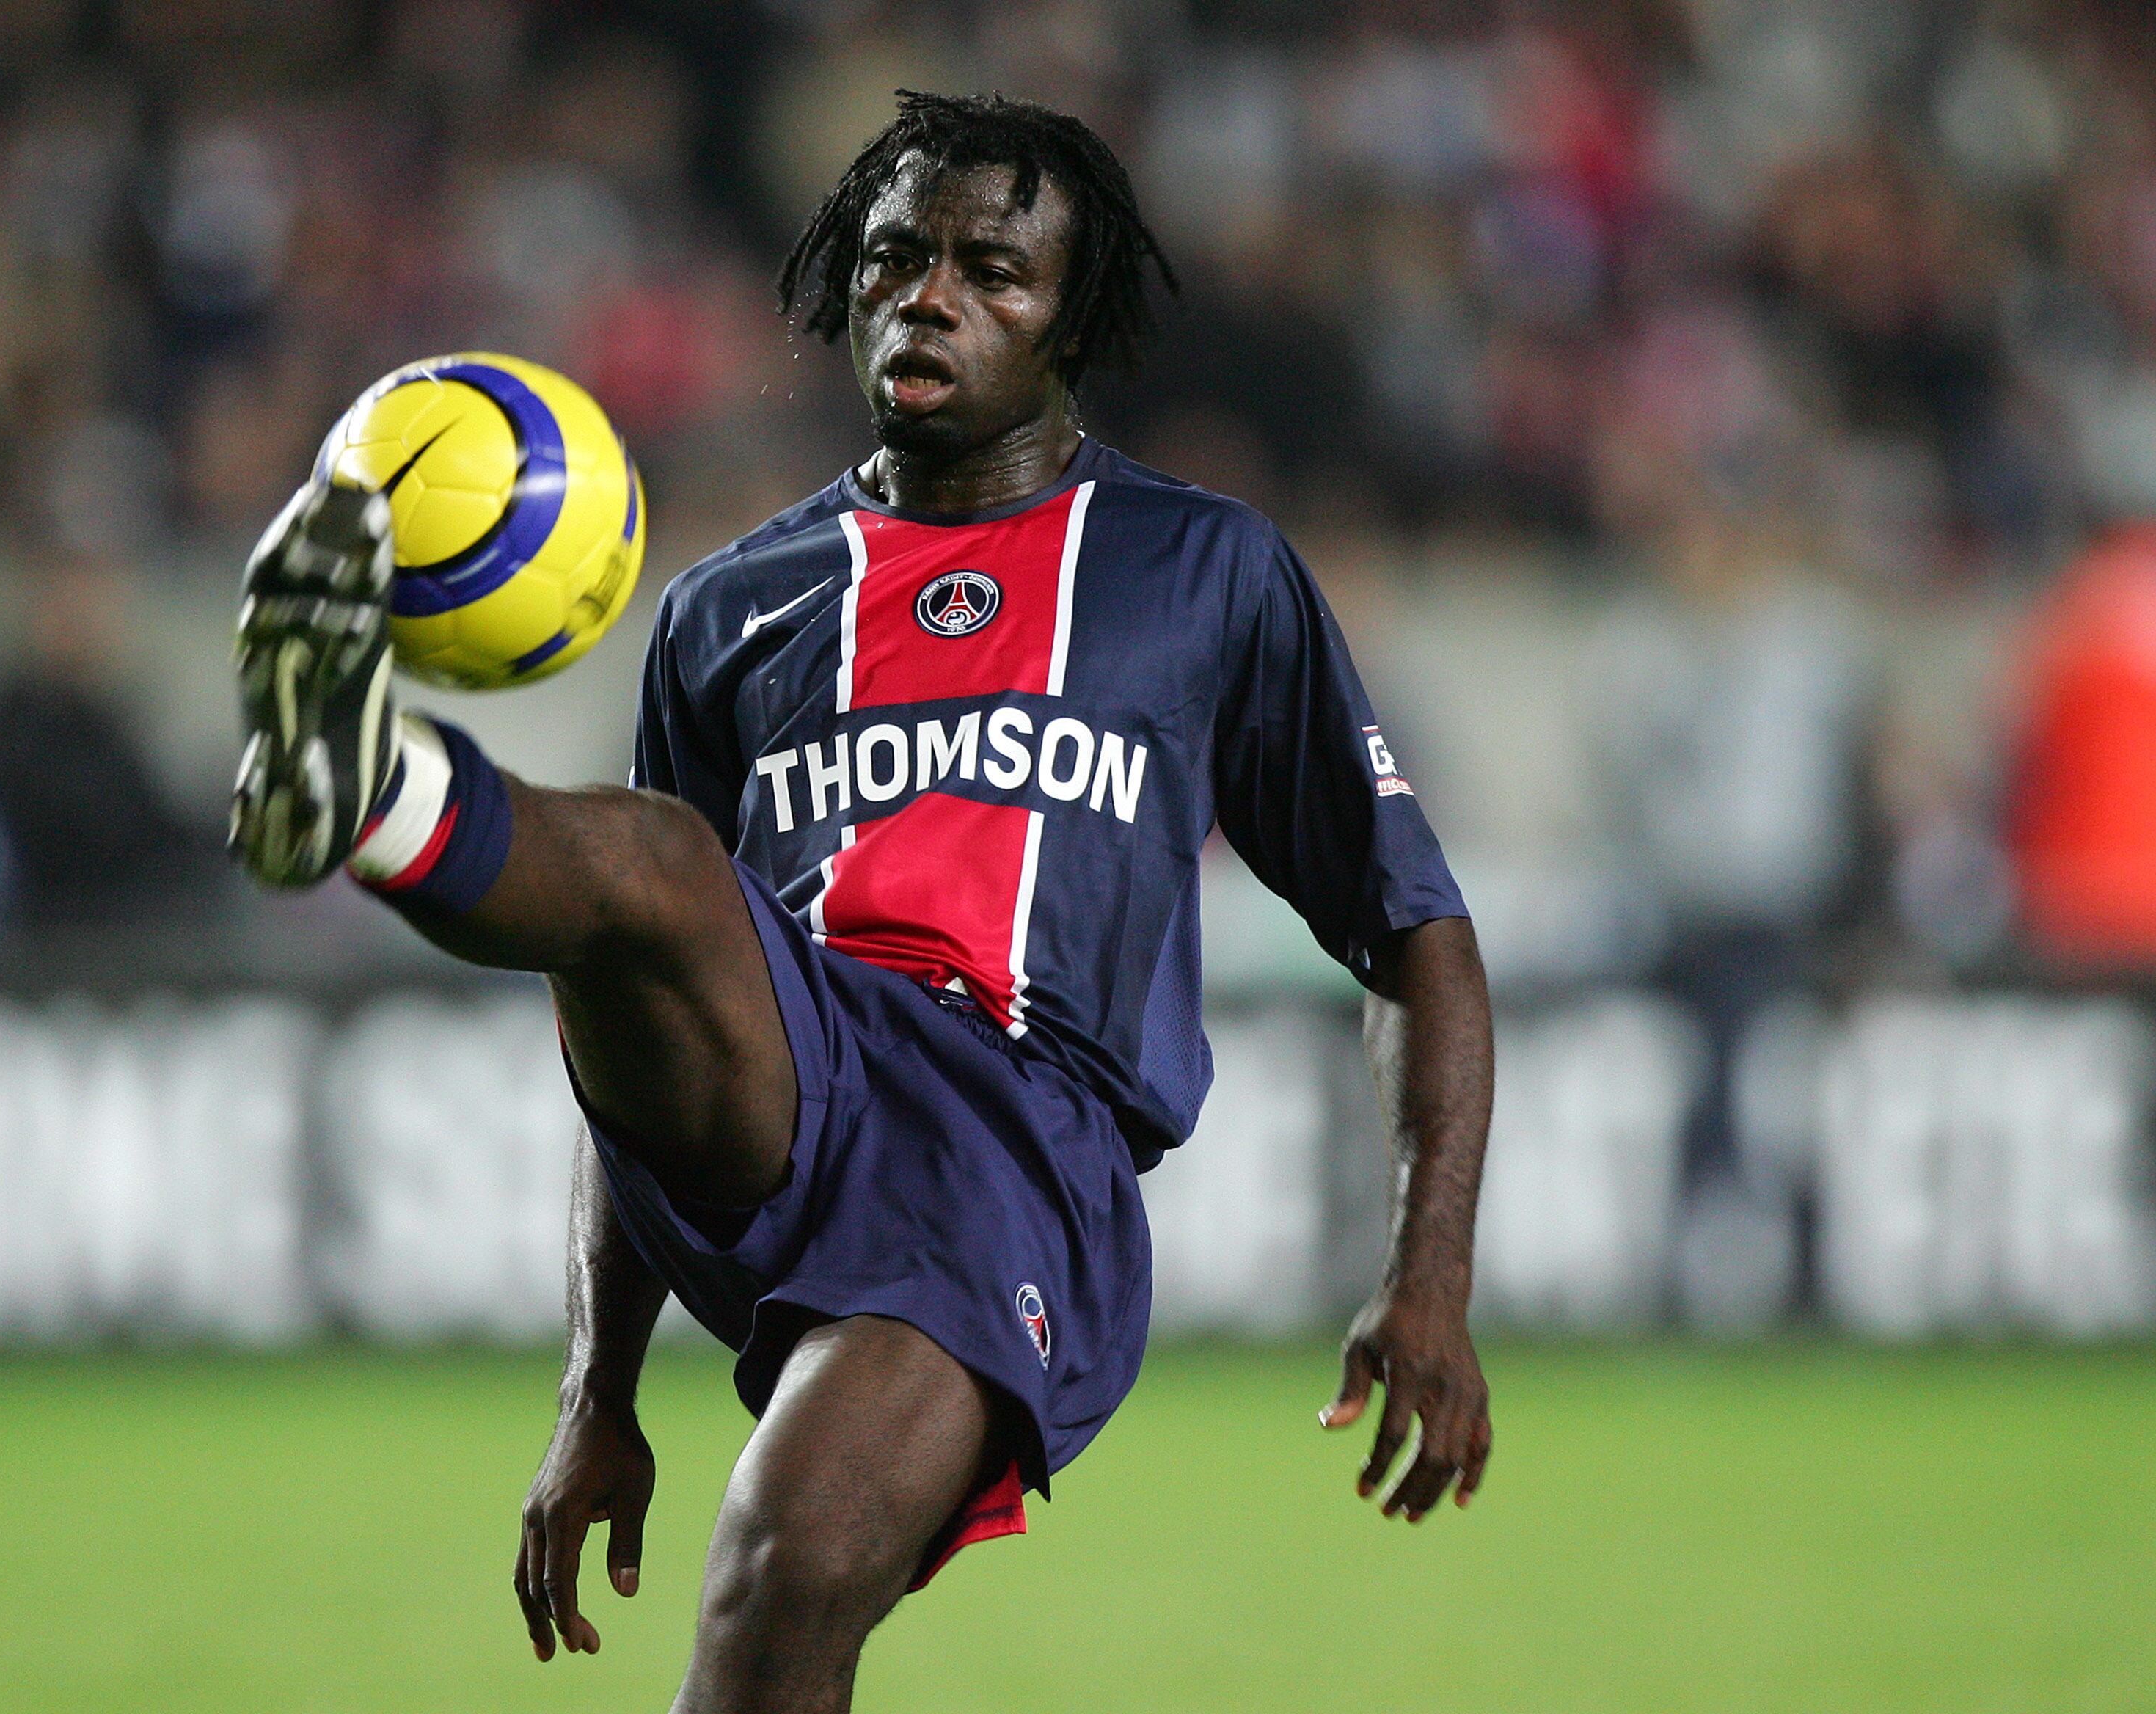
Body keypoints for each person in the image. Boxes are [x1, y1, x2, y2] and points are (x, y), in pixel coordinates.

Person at [230, 92, 1494, 1714]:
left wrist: (1427, 1274)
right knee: (655, 865)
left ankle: (380, 790)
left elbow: (1411, 932)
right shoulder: (728, 607)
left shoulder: (1206, 572)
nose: (929, 297)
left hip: (1012, 1147)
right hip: (788, 1066)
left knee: (787, 1564)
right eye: (894, 259)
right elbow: (620, 986)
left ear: (1071, 322)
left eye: (992, 271)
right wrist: (595, 1385)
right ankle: (363, 789)